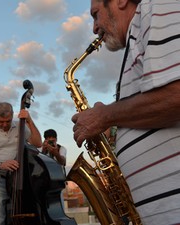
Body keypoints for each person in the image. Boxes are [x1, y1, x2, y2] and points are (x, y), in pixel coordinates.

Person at [72, 0, 180, 224]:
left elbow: (176, 95)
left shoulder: (156, 7)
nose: (94, 28)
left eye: (95, 15)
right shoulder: (137, 38)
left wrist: (104, 116)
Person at [0, 102, 42, 225]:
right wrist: (0, 165)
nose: (5, 124)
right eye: (1, 121)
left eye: (8, 121)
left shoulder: (20, 126)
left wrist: (29, 120)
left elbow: (38, 143)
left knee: (23, 218)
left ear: (13, 115)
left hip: (19, 181)